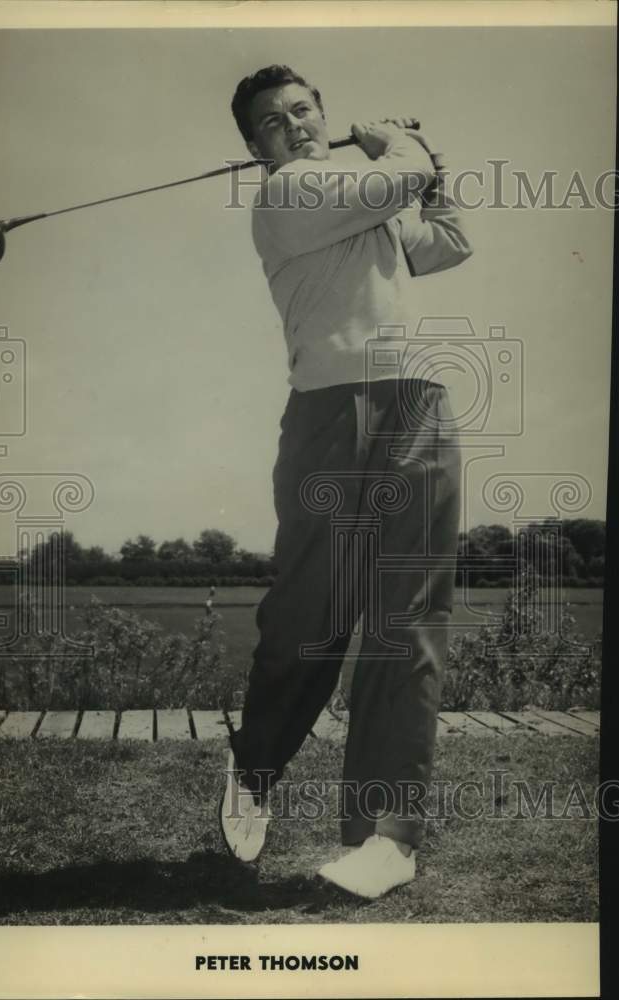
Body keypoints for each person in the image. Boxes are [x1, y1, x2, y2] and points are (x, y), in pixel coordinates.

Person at [219, 65, 472, 899]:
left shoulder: (365, 197)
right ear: (258, 152)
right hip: (329, 411)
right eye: (270, 123)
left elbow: (448, 240)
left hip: (416, 402)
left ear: (322, 115)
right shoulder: (290, 194)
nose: (291, 126)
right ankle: (256, 760)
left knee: (407, 618)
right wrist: (403, 146)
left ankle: (384, 837)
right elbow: (400, 173)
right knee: (310, 619)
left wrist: (429, 162)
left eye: (302, 110)